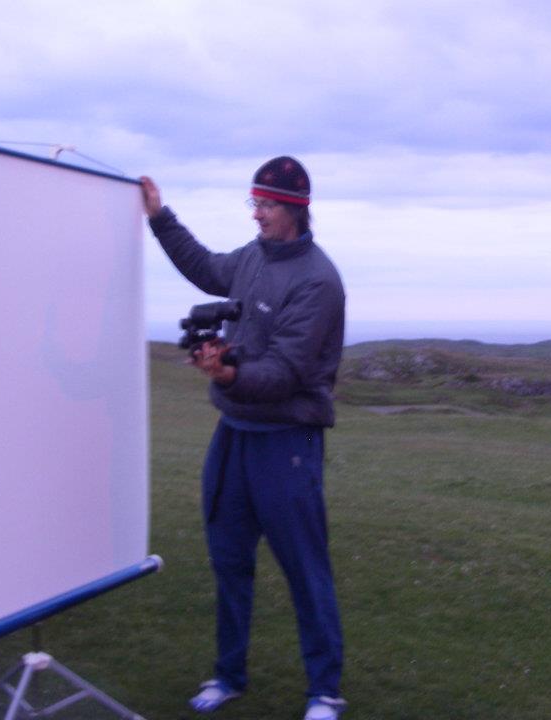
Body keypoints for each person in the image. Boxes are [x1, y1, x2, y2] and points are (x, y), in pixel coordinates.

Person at [140, 156, 347, 720]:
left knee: (305, 568)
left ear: (295, 210)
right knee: (229, 560)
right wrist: (160, 217)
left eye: (267, 205)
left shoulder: (318, 281)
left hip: (287, 442)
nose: (256, 214)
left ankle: (324, 691)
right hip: (233, 434)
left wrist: (227, 373)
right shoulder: (253, 257)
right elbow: (205, 266)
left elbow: (285, 372)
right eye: (255, 203)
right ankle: (229, 675)